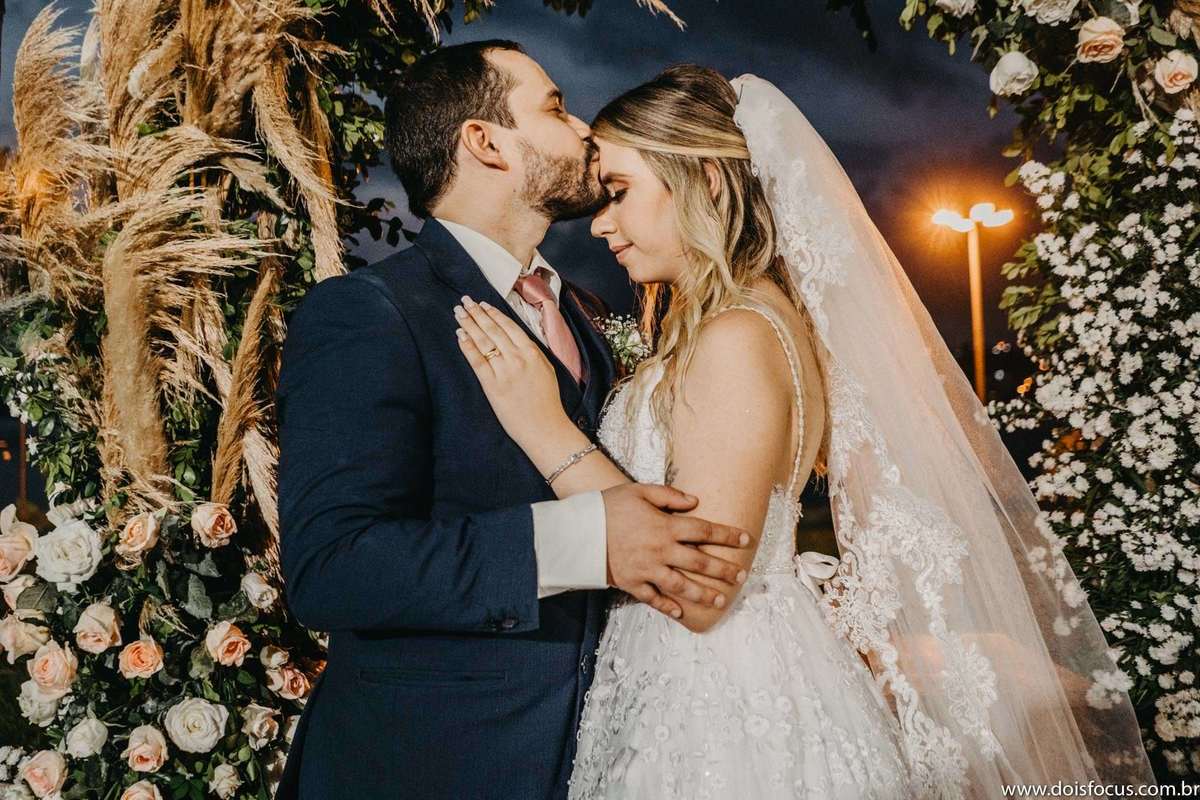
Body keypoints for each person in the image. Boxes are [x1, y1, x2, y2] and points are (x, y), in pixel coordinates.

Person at [453, 65, 1156, 798]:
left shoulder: (737, 335)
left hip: (720, 712)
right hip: (677, 685)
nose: (601, 223)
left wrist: (543, 430)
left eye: (621, 192)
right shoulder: (730, 325)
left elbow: (700, 589)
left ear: (710, 184)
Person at [272, 43, 753, 799]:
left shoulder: (587, 316)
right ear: (485, 142)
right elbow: (333, 565)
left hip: (610, 752)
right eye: (556, 108)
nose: (585, 130)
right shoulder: (372, 312)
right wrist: (590, 540)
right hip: (434, 766)